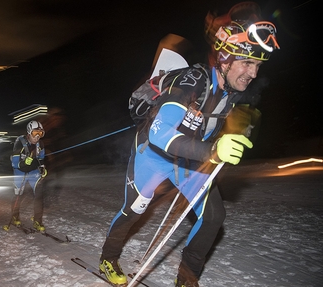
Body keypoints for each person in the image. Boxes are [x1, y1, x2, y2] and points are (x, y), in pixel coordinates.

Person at [99, 2, 279, 287]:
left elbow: (207, 132)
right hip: (153, 156)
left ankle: (186, 278)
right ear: (225, 58)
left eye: (257, 65)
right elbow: (160, 134)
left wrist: (224, 141)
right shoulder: (192, 80)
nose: (253, 73)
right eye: (248, 63)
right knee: (134, 210)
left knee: (213, 216)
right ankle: (108, 257)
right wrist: (213, 151)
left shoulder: (229, 93)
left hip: (188, 161)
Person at [10, 120, 48, 232]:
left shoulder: (40, 144)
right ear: (29, 132)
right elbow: (14, 163)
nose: (37, 136)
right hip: (20, 172)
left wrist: (42, 168)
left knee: (39, 194)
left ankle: (37, 220)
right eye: (35, 132)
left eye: (40, 133)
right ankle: (15, 216)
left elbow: (41, 159)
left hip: (32, 172)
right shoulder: (20, 142)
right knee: (18, 195)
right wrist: (23, 163)